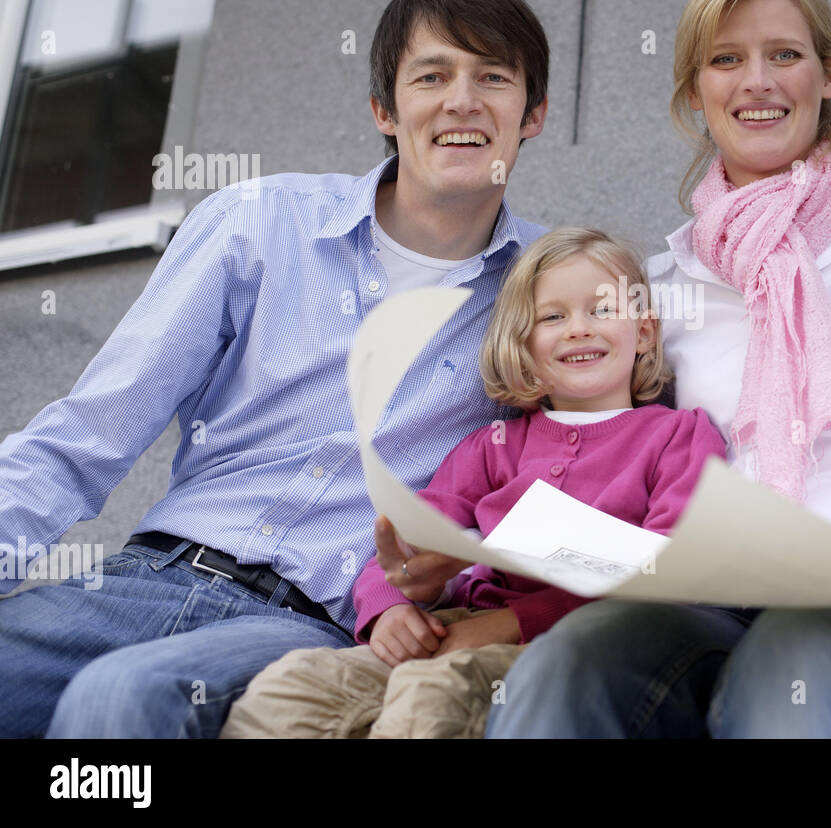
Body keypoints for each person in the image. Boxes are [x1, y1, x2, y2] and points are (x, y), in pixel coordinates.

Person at [0, 0, 551, 738]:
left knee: (123, 697)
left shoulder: (545, 295)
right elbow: (85, 436)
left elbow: (587, 471)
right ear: (384, 111)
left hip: (311, 623)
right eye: (432, 76)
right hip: (143, 577)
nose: (462, 99)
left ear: (534, 114)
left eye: (492, 77)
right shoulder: (258, 224)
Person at [485, 0, 831, 738]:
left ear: (829, 75)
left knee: (792, 665)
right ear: (696, 92)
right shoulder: (658, 283)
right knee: (567, 664)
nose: (756, 81)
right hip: (705, 595)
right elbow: (614, 453)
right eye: (726, 60)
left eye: (783, 55)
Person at [219, 227, 726, 738]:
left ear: (643, 332)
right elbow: (405, 545)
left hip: (561, 650)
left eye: (602, 310)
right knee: (288, 689)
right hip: (451, 628)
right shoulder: (494, 445)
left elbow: (665, 570)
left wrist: (513, 623)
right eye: (552, 317)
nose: (579, 329)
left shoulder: (677, 435)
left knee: (430, 698)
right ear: (523, 347)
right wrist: (389, 609)